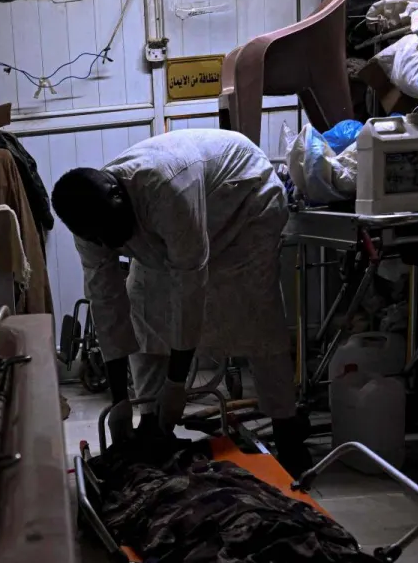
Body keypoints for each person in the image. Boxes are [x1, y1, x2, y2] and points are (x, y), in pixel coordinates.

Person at [50, 129, 311, 472]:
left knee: (255, 312)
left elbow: (189, 286)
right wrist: (119, 401)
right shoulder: (90, 224)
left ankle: (287, 430)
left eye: (110, 231)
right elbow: (105, 301)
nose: (107, 242)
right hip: (177, 220)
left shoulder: (167, 188)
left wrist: (176, 384)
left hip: (245, 203)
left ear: (117, 193)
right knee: (141, 301)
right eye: (98, 238)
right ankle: (151, 424)